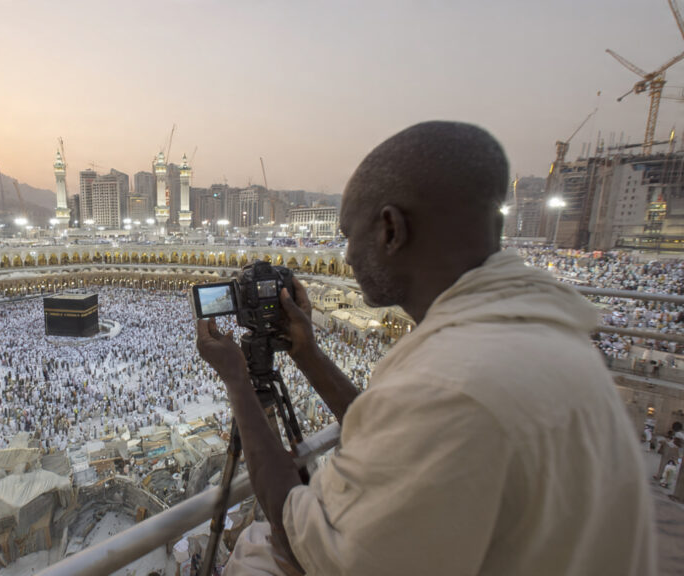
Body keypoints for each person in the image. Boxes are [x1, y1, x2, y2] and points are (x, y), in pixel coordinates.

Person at [196, 121, 655, 574]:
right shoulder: (534, 330)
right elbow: (387, 428)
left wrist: (238, 380)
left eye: (350, 234)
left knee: (257, 556)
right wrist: (308, 355)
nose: (347, 255)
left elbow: (306, 539)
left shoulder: (452, 382)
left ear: (391, 229)